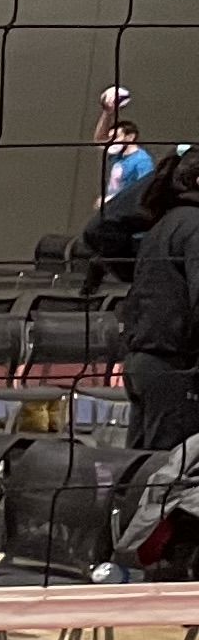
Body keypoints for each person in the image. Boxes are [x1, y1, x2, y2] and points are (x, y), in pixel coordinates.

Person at [123, 149, 199, 456]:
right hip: (174, 366)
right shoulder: (195, 224)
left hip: (143, 360)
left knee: (139, 467)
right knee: (171, 469)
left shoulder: (163, 223)